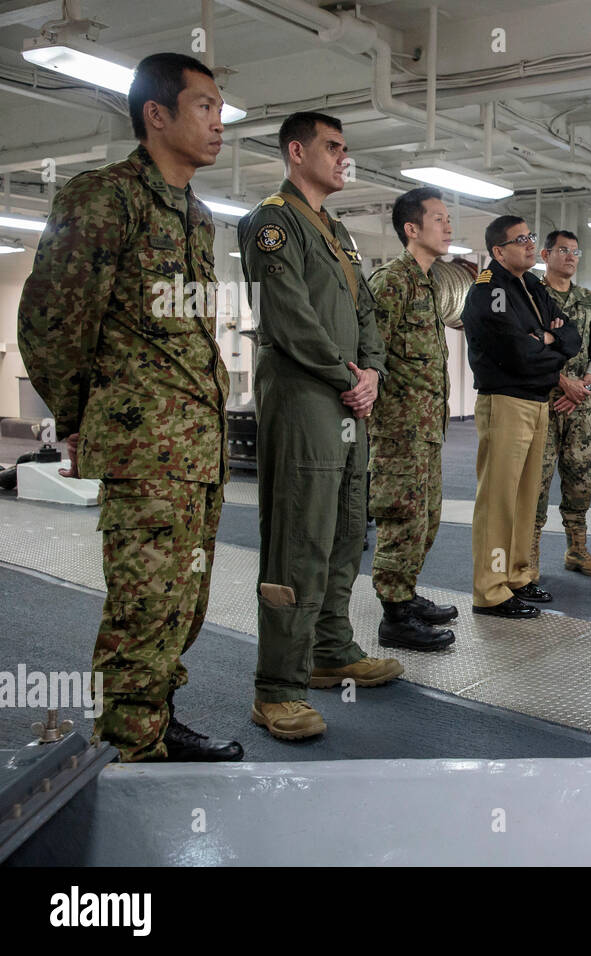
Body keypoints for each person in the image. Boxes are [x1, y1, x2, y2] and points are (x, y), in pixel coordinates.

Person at [17, 53, 242, 762]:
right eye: (204, 106)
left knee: (185, 602)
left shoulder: (196, 215)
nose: (218, 121)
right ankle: (127, 749)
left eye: (219, 107)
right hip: (145, 448)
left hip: (197, 449)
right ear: (157, 115)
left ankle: (155, 716)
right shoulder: (104, 198)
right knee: (144, 604)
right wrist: (81, 417)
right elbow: (53, 319)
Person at [238, 112, 401, 741]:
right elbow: (287, 316)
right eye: (332, 147)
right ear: (296, 150)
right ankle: (276, 686)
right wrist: (345, 374)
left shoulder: (337, 232)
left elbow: (365, 310)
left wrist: (374, 373)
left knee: (345, 526)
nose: (343, 157)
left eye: (345, 148)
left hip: (348, 399)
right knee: (299, 535)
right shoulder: (272, 223)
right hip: (305, 395)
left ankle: (330, 649)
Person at [460, 216, 580, 617]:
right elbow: (515, 353)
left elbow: (573, 336)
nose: (531, 245)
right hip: (505, 401)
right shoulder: (488, 291)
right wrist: (548, 344)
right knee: (498, 501)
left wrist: (546, 339)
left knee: (527, 497)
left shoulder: (531, 286)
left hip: (537, 400)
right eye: (521, 240)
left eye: (531, 237)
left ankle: (518, 575)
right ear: (498, 251)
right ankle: (490, 589)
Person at [366, 186, 465, 651]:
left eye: (448, 219)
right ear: (412, 228)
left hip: (426, 428)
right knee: (401, 518)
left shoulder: (428, 281)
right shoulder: (392, 280)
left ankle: (405, 596)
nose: (448, 226)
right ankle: (394, 616)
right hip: (399, 428)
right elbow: (370, 354)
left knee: (426, 518)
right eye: (439, 219)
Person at [529, 230, 591, 582]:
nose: (570, 257)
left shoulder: (590, 301)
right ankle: (527, 556)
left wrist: (584, 386)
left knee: (580, 480)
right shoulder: (531, 295)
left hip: (581, 408)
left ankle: (576, 549)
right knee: (537, 480)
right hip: (544, 403)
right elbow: (530, 343)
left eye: (575, 251)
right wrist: (562, 383)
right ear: (546, 255)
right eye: (563, 250)